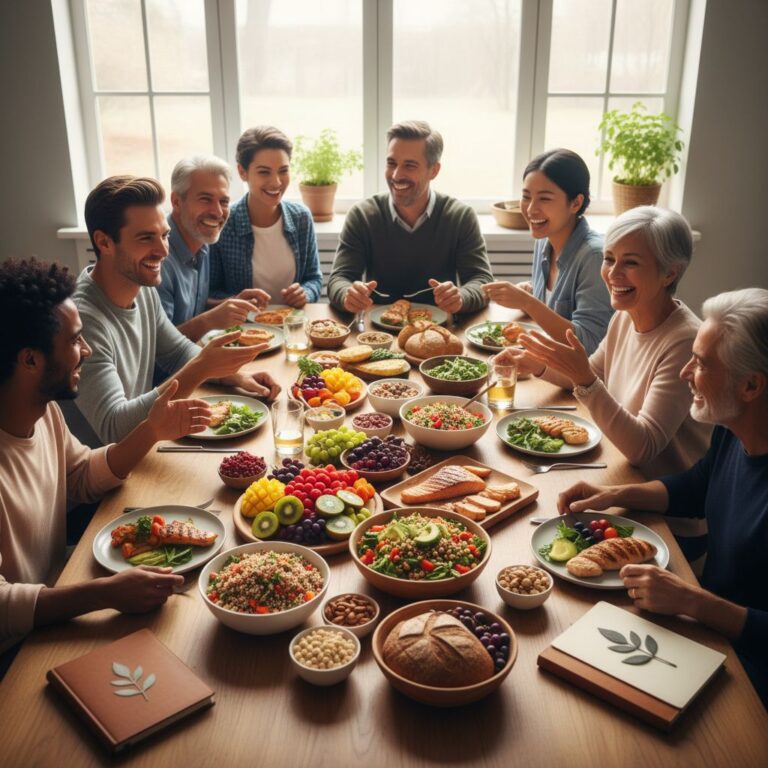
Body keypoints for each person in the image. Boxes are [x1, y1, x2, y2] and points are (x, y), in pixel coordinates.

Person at [557, 288, 768, 708]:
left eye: (702, 363)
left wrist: (694, 601)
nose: (686, 372)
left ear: (751, 385)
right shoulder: (732, 428)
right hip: (703, 631)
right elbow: (695, 487)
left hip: (751, 672)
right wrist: (612, 494)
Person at [0, 258, 213, 658]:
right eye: (75, 341)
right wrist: (104, 593)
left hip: (56, 605)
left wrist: (152, 430)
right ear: (30, 360)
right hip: (16, 648)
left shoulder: (43, 412)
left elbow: (81, 474)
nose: (88, 349)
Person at [500, 206, 710, 477]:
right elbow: (593, 373)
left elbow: (642, 448)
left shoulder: (686, 343)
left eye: (631, 262)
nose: (613, 274)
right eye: (609, 259)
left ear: (669, 273)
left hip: (657, 504)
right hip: (614, 468)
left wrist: (584, 379)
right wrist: (538, 365)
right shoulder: (624, 317)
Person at [69, 175, 280, 445]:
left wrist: (238, 377)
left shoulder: (142, 289)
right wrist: (202, 368)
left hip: (140, 454)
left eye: (164, 236)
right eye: (146, 238)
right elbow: (114, 428)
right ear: (104, 242)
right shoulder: (82, 320)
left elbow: (178, 352)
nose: (163, 251)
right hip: (97, 472)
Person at [327, 120, 493, 315]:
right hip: (378, 333)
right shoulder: (362, 215)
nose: (396, 175)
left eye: (410, 166)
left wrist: (461, 297)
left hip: (439, 333)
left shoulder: (460, 216)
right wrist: (348, 294)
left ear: (434, 170)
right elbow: (338, 279)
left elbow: (482, 281)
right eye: (391, 163)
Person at [482, 149, 613, 354]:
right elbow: (556, 308)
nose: (531, 209)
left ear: (576, 203)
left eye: (544, 199)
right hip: (546, 363)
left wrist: (529, 302)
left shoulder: (594, 257)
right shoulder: (544, 241)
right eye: (526, 196)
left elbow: (589, 345)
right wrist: (531, 293)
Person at [157, 155, 271, 342]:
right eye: (205, 199)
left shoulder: (201, 241)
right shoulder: (158, 258)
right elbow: (157, 349)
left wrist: (230, 304)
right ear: (176, 202)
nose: (218, 212)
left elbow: (189, 308)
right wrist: (210, 321)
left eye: (224, 201)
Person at [209, 126, 323, 307]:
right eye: (264, 172)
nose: (276, 182)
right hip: (244, 329)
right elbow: (210, 291)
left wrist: (306, 293)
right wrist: (235, 301)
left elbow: (314, 279)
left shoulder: (301, 218)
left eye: (283, 170)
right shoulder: (223, 222)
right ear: (242, 172)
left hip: (293, 326)